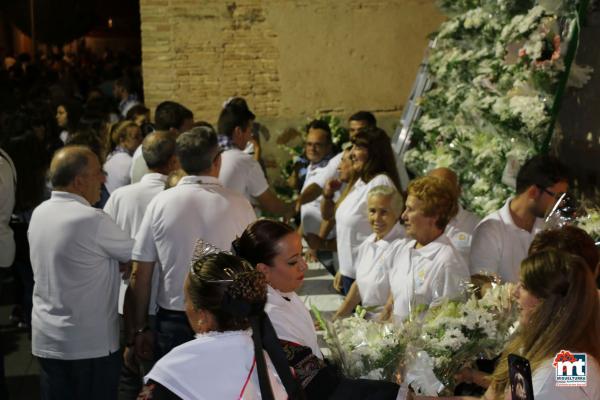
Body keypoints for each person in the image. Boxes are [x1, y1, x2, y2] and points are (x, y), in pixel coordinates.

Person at [127, 126, 256, 364]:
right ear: (217, 161)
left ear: (178, 162)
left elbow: (140, 273)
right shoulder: (241, 204)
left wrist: (140, 328)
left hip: (174, 318)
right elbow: (254, 265)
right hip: (227, 316)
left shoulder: (160, 203)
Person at [235, 219, 401, 399]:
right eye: (292, 262)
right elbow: (317, 386)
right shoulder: (270, 316)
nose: (303, 265)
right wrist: (396, 394)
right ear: (263, 270)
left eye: (301, 255)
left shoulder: (279, 290)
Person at [419, 250, 600, 400]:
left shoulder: (563, 369)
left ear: (548, 302)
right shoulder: (541, 348)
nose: (514, 292)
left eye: (524, 286)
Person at [28, 146, 134, 400]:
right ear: (79, 181)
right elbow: (137, 255)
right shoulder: (92, 220)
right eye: (99, 172)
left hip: (48, 340)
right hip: (90, 345)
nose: (104, 178)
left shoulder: (39, 213)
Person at [138, 252, 295, 400]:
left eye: (186, 300)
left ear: (203, 316)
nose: (185, 307)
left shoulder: (172, 373)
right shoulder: (274, 363)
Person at [103, 132, 178, 399]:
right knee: (166, 381)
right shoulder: (175, 196)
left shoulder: (120, 197)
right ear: (173, 161)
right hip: (165, 302)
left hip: (127, 301)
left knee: (129, 375)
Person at [324, 126, 401, 294]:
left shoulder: (381, 183)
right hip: (350, 274)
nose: (352, 153)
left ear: (373, 152)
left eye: (358, 147)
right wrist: (344, 269)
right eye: (352, 147)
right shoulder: (361, 183)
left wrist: (362, 275)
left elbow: (388, 237)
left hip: (367, 278)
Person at [380, 175, 469, 323]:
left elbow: (448, 326)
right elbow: (394, 302)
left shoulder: (448, 264)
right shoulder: (404, 249)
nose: (403, 216)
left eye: (410, 209)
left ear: (434, 216)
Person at [470, 155, 569, 283]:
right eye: (557, 197)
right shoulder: (491, 230)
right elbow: (482, 286)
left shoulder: (550, 226)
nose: (560, 204)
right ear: (533, 192)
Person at [333, 186, 405, 319]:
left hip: (388, 326)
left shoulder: (403, 246)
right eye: (372, 211)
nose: (377, 218)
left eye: (384, 212)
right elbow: (358, 287)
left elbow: (396, 299)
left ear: (398, 213)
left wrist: (377, 332)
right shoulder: (368, 243)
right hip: (367, 324)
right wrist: (336, 318)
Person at [217, 97, 293, 218]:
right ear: (238, 132)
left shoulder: (209, 157)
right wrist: (293, 207)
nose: (250, 136)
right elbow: (271, 204)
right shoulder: (243, 161)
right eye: (249, 130)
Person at [298, 111, 376, 207]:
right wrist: (296, 204)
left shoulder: (386, 154)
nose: (356, 134)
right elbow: (318, 184)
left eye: (361, 130)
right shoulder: (343, 155)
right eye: (352, 130)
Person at [130, 101, 193, 184]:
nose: (192, 135)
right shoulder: (153, 154)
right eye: (188, 131)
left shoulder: (145, 149)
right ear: (174, 132)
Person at [428, 168, 480, 264]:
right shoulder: (415, 222)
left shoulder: (476, 226)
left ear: (458, 191)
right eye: (434, 187)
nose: (439, 193)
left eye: (446, 187)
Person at [298, 119, 337, 237]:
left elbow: (332, 214)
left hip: (324, 249)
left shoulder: (332, 171)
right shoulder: (311, 167)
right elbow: (308, 208)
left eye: (317, 145)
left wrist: (317, 245)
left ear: (329, 147)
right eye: (309, 144)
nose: (312, 149)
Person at [104, 120, 143, 193]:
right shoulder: (129, 162)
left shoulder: (111, 155)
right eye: (136, 137)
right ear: (122, 140)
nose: (141, 140)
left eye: (141, 135)